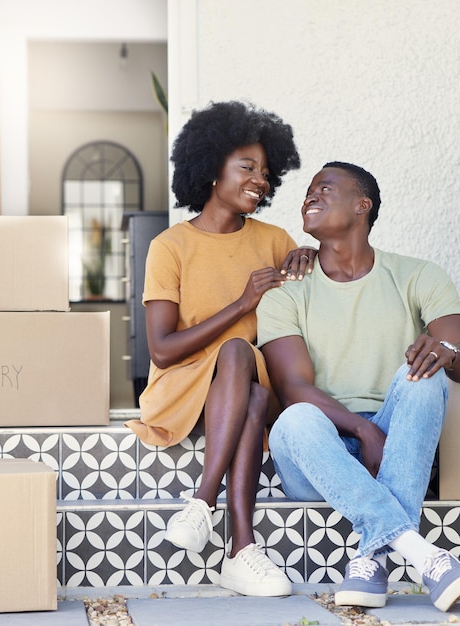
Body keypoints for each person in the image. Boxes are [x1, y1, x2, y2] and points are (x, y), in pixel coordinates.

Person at [256, 161, 460, 611]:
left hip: (397, 448)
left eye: (323, 188)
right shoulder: (285, 293)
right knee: (295, 419)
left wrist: (448, 352)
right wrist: (363, 430)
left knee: (421, 375)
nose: (309, 198)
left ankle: (371, 558)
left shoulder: (417, 274)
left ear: (363, 205)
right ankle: (422, 555)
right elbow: (294, 387)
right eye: (307, 193)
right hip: (319, 454)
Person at [125, 101, 316, 597]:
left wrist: (316, 257)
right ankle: (241, 549)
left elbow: (312, 308)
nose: (261, 180)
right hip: (185, 383)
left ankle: (201, 504)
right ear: (211, 169)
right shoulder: (170, 246)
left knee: (241, 362)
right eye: (247, 167)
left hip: (256, 378)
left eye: (267, 173)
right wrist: (241, 303)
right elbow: (163, 350)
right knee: (237, 360)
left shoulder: (275, 240)